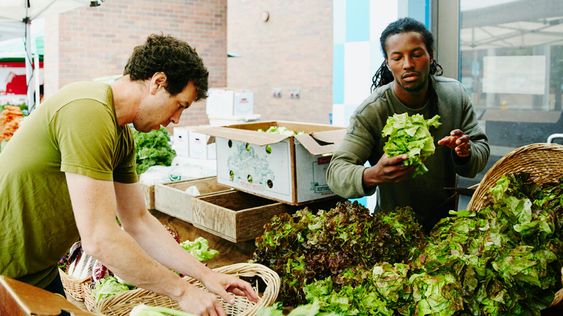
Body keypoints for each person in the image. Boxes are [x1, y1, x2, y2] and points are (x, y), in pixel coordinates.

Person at [0, 34, 258, 315]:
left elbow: (138, 221)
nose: (176, 120)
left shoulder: (122, 138)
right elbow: (99, 238)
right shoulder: (88, 110)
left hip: (38, 273)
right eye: (180, 105)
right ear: (158, 83)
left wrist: (205, 276)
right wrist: (182, 291)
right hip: (5, 272)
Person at [326, 17, 489, 232]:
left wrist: (465, 153)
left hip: (448, 228)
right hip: (393, 232)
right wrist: (373, 174)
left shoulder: (454, 96)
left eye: (416, 54)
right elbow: (336, 172)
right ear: (387, 63)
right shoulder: (373, 110)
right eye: (397, 57)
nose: (408, 64)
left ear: (430, 56)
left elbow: (481, 152)